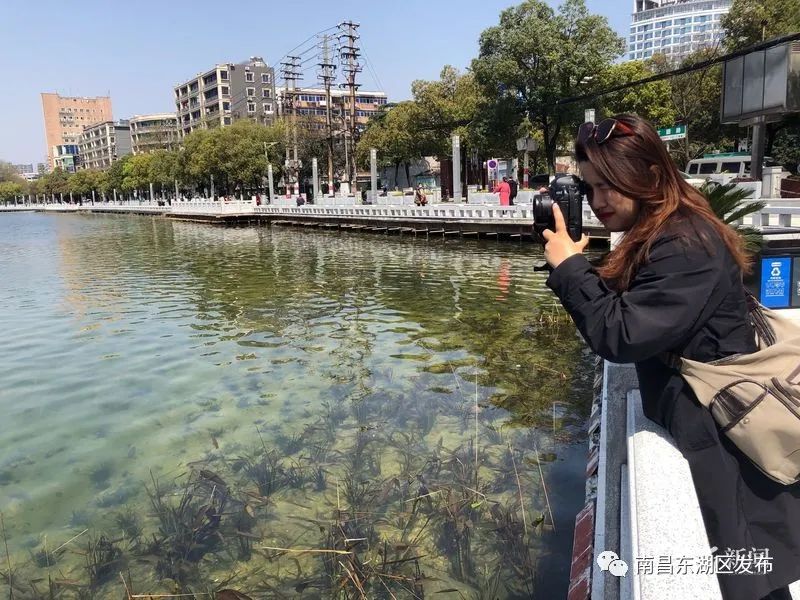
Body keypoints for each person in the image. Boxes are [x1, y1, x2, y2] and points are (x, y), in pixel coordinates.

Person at [542, 114, 800, 600]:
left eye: (608, 186)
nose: (597, 201)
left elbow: (621, 334)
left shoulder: (685, 243)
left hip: (727, 435)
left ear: (650, 176)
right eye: (589, 188)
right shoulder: (666, 230)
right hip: (711, 421)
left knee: (749, 576)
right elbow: (636, 311)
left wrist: (571, 268)